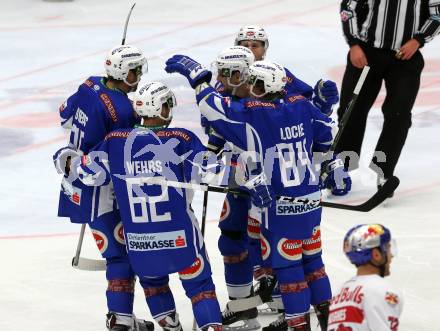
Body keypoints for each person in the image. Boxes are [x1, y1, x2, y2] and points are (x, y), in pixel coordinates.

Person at [165, 55, 348, 330]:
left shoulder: (254, 112)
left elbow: (212, 107)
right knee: (314, 262)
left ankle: (297, 324)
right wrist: (327, 164)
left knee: (289, 268)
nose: (250, 86)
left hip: (279, 205)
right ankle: (329, 319)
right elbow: (325, 132)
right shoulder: (301, 105)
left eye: (255, 83)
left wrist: (199, 77)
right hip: (311, 201)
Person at [73, 81, 270, 331]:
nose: (170, 109)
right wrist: (249, 172)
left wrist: (69, 159)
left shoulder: (115, 141)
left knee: (154, 285)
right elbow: (213, 172)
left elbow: (87, 173)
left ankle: (173, 328)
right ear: (159, 109)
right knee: (200, 287)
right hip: (181, 238)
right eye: (167, 105)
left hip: (140, 241)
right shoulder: (180, 139)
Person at [53, 45, 152, 331]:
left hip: (75, 180)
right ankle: (120, 320)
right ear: (123, 71)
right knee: (120, 255)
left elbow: (64, 116)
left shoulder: (90, 83)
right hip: (101, 190)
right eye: (135, 70)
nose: (139, 75)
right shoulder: (123, 110)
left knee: (117, 252)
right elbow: (125, 153)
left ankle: (122, 318)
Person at [336, 0, 440, 190]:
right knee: (351, 110)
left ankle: (383, 171)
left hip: (405, 59)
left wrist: (418, 40)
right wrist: (353, 44)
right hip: (366, 55)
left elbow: (437, 14)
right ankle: (342, 167)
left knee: (398, 115)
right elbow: (348, 7)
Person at [327, 224, 402, 331]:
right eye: (388, 248)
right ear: (376, 255)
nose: (391, 255)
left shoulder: (340, 293)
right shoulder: (384, 291)